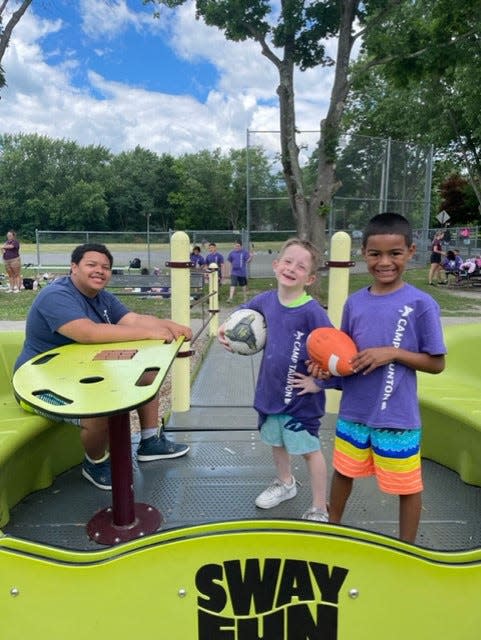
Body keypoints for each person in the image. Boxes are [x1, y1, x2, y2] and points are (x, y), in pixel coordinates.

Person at [14, 243, 192, 490]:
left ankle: (150, 441)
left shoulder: (101, 297)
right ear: (74, 268)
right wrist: (151, 333)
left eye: (106, 267)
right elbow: (87, 332)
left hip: (78, 375)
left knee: (147, 373)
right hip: (38, 385)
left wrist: (169, 325)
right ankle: (95, 462)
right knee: (99, 408)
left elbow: (133, 319)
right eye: (92, 265)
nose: (100, 271)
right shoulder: (56, 295)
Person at [325, 213, 446, 543]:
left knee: (406, 486)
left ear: (410, 251)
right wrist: (324, 370)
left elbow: (437, 363)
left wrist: (392, 353)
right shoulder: (354, 303)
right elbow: (346, 356)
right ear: (363, 253)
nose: (384, 262)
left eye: (394, 253)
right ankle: (331, 529)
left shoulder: (422, 304)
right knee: (343, 472)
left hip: (397, 417)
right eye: (375, 254)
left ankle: (406, 549)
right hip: (355, 412)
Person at [218, 238, 333, 522]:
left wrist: (318, 384)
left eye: (301, 266)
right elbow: (243, 311)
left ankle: (320, 506)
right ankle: (285, 483)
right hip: (270, 393)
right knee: (277, 442)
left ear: (310, 278)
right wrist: (227, 326)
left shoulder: (313, 312)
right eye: (288, 261)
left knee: (309, 450)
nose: (292, 268)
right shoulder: (266, 301)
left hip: (300, 399)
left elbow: (334, 353)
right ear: (276, 265)